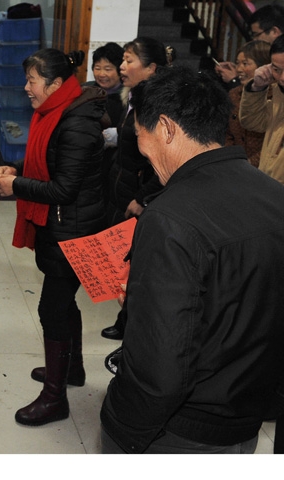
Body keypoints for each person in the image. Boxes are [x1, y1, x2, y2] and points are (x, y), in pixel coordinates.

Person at [100, 66, 284, 454]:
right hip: (245, 420)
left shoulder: (170, 218)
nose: (142, 150)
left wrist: (122, 427)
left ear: (166, 128)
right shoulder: (274, 196)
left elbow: (160, 366)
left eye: (141, 135)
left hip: (182, 433)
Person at [0, 48, 105, 426]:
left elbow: (63, 189)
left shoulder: (76, 123)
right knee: (62, 304)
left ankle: (55, 398)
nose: (26, 87)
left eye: (32, 81)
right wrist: (18, 168)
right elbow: (48, 162)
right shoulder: (55, 111)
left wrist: (16, 186)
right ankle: (71, 369)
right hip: (61, 226)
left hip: (74, 230)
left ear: (56, 84)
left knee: (52, 309)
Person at [100, 37, 173, 342]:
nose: (122, 66)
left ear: (152, 68)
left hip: (141, 193)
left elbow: (166, 161)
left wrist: (143, 197)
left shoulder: (159, 104)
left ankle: (133, 325)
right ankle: (126, 317)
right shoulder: (134, 97)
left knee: (139, 264)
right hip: (123, 186)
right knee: (124, 261)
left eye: (129, 60)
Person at [239, 34, 284, 184]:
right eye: (277, 70)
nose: (282, 78)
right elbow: (252, 122)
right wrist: (257, 88)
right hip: (269, 187)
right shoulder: (279, 92)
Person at [83, 42, 124, 202]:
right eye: (97, 68)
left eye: (108, 69)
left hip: (113, 164)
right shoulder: (85, 91)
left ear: (120, 69)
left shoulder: (127, 97)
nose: (101, 74)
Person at [224, 39, 270, 167]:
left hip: (265, 169)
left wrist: (249, 164)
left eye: (245, 63)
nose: (239, 69)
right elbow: (228, 134)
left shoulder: (276, 98)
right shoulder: (234, 94)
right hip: (235, 166)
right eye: (237, 63)